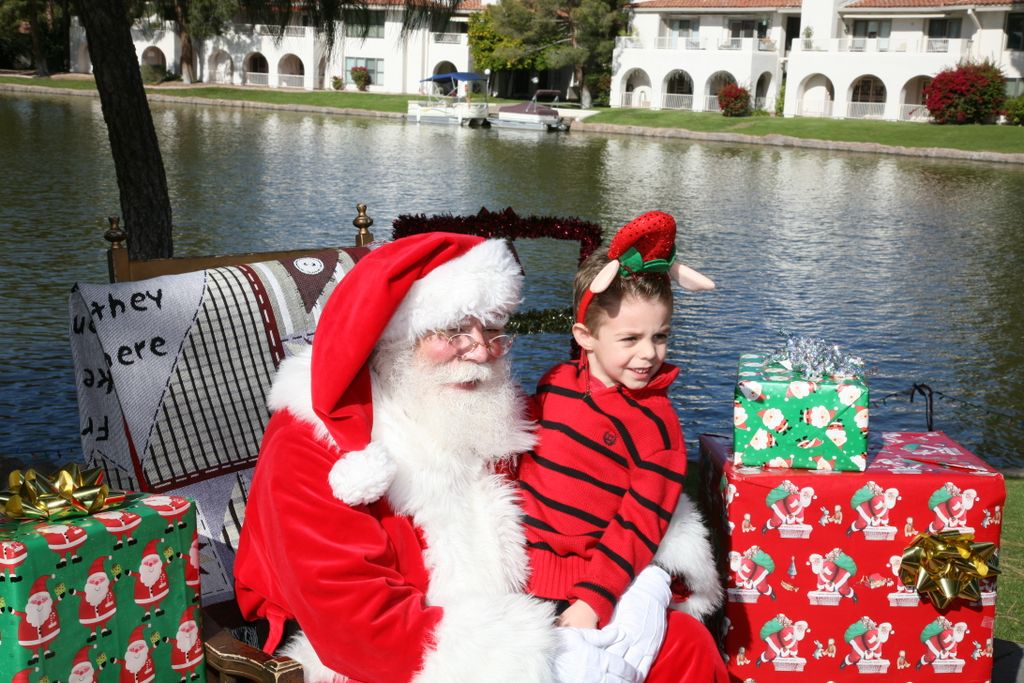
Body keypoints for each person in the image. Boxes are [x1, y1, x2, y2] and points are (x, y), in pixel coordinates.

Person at [234, 232, 727, 682]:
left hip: (518, 608)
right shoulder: (313, 441)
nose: (479, 352)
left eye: (490, 331)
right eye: (451, 332)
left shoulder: (486, 412)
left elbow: (580, 481)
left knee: (683, 645)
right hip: (407, 654)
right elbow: (357, 619)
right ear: (394, 338)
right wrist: (521, 658)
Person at [517, 211, 720, 642]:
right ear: (585, 336)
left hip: (592, 582)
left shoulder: (657, 429)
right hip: (519, 567)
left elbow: (639, 524)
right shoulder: (555, 384)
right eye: (630, 339)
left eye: (660, 336)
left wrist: (593, 600)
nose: (648, 354)